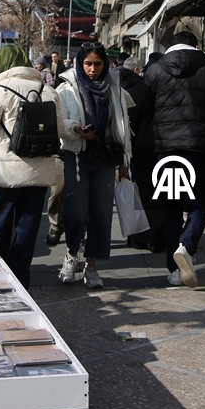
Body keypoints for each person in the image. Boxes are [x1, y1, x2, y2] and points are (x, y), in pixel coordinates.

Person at [144, 30, 205, 288]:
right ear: (197, 45)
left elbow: (146, 111)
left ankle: (174, 271)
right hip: (200, 148)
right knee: (199, 205)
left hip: (166, 148)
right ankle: (187, 245)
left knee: (172, 208)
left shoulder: (155, 70)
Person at [0, 45, 63, 287]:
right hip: (38, 172)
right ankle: (20, 279)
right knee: (28, 227)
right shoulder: (48, 91)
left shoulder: (1, 89)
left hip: (3, 172)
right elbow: (58, 131)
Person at [55, 42, 134, 289]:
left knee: (101, 214)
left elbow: (123, 127)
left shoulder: (115, 90)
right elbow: (59, 123)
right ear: (80, 63)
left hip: (106, 158)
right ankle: (71, 255)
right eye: (88, 63)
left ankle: (91, 266)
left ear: (105, 64)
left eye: (97, 64)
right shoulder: (66, 89)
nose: (92, 69)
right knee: (76, 212)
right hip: (77, 156)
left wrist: (125, 160)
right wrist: (75, 129)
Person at [119, 56, 163, 253]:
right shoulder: (161, 89)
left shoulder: (135, 88)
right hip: (159, 146)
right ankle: (155, 238)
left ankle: (137, 237)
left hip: (138, 148)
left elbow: (130, 122)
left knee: (139, 192)